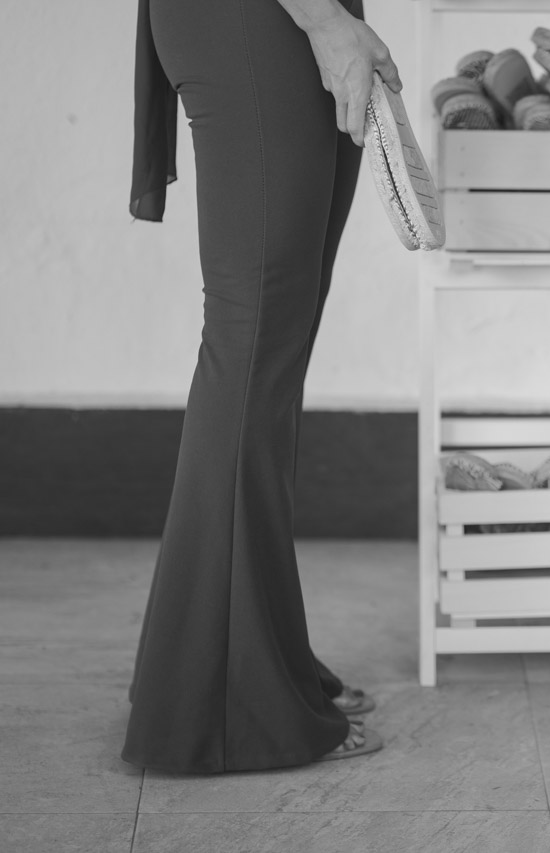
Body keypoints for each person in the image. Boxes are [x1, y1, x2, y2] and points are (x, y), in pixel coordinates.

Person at [123, 0, 401, 772]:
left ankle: (251, 660)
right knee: (251, 344)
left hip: (292, 17)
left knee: (272, 355)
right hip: (262, 16)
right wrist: (325, 22)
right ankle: (224, 706)